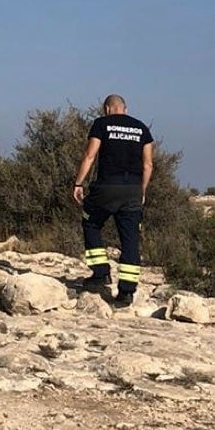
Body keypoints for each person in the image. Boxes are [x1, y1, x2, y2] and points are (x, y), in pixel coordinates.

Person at [72, 95, 154, 309]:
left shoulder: (101, 124)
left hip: (107, 187)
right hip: (133, 189)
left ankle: (100, 273)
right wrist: (142, 190)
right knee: (130, 239)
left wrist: (78, 183)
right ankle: (126, 292)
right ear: (125, 109)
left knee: (90, 221)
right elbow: (148, 165)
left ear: (107, 108)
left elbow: (90, 156)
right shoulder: (141, 128)